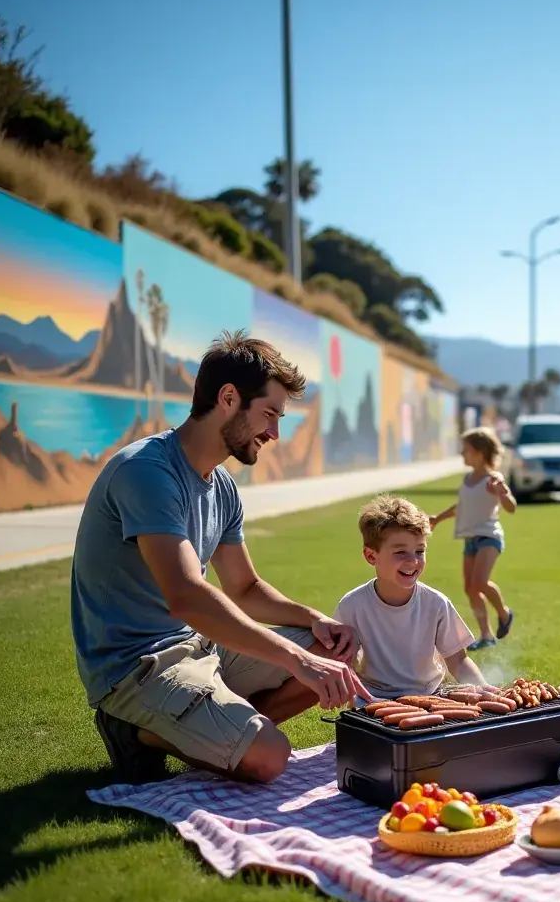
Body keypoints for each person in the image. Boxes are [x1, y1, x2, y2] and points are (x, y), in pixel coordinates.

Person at [71, 330, 370, 786]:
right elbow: (187, 596)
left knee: (340, 652)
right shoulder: (148, 471)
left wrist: (315, 623)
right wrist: (295, 659)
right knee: (271, 757)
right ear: (228, 398)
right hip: (138, 668)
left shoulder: (222, 483)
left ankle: (216, 735)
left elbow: (245, 588)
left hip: (202, 646)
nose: (274, 432)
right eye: (269, 414)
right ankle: (133, 731)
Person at [332, 494, 493, 702]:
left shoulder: (436, 603)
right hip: (373, 697)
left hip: (430, 694)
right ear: (371, 556)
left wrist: (482, 688)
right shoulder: (352, 605)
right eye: (400, 552)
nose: (413, 561)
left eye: (419, 551)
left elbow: (458, 661)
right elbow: (339, 662)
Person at [429, 427, 515, 651]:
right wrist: (438, 518)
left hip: (489, 536)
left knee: (479, 582)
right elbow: (462, 507)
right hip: (470, 539)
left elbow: (511, 507)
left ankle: (504, 613)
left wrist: (502, 492)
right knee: (470, 588)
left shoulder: (493, 478)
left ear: (479, 452)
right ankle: (486, 635)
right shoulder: (468, 479)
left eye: (465, 450)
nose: (462, 454)